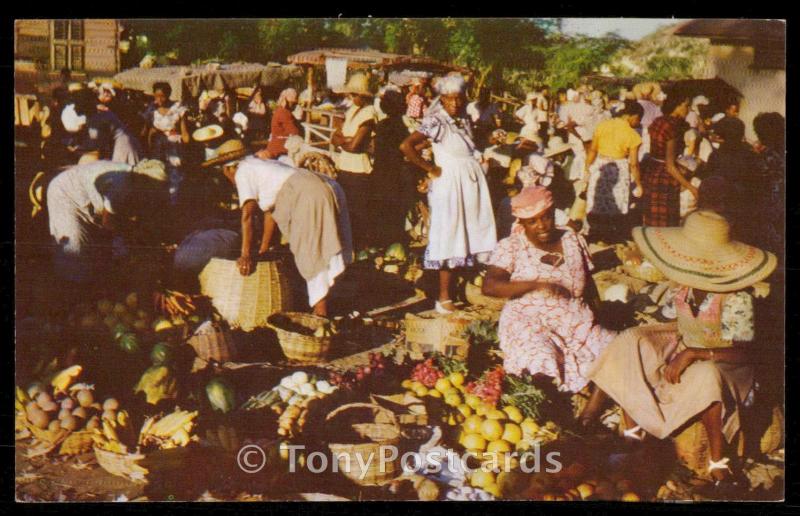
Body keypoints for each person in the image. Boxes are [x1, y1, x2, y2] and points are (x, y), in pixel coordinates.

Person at [582, 210, 777, 490]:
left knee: (705, 374)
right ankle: (634, 431)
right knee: (631, 341)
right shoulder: (684, 287)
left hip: (727, 365)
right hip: (688, 346)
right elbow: (676, 320)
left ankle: (717, 461)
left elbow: (745, 353)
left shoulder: (736, 298)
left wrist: (697, 354)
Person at [482, 186, 616, 392]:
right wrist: (535, 285)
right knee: (541, 359)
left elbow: (588, 284)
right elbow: (490, 286)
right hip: (530, 321)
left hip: (577, 321)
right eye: (532, 221)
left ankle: (588, 416)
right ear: (522, 222)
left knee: (616, 352)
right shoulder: (512, 246)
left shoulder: (572, 239)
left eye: (546, 217)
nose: (542, 226)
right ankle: (549, 405)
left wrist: (600, 318)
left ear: (554, 213)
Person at [207, 140, 352, 317]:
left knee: (309, 249)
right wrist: (263, 249)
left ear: (228, 168)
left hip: (308, 192)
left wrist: (245, 254)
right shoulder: (263, 166)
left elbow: (247, 215)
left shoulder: (242, 171)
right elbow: (270, 213)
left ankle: (321, 311)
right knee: (324, 244)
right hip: (326, 186)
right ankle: (328, 300)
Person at [400, 74, 497, 314]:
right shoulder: (435, 120)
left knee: (469, 233)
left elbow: (465, 145)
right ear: (442, 99)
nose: (455, 103)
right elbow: (407, 146)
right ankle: (444, 297)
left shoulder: (464, 118)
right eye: (450, 99)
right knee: (451, 235)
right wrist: (430, 169)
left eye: (459, 99)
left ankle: (458, 289)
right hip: (450, 183)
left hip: (468, 181)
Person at [47, 159, 169, 284]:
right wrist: (128, 238)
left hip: (84, 196)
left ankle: (90, 283)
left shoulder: (135, 180)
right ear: (145, 181)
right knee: (74, 247)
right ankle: (70, 288)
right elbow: (108, 223)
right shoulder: (120, 185)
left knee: (92, 249)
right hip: (64, 193)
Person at [582, 100, 644, 241]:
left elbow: (592, 150)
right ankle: (612, 237)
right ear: (633, 116)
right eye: (638, 120)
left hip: (600, 166)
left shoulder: (603, 125)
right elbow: (634, 164)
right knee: (616, 201)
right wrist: (639, 184)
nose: (638, 123)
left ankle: (596, 234)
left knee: (597, 201)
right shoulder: (633, 135)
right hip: (619, 168)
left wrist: (587, 169)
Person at [330, 73, 378, 247]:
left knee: (359, 213)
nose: (352, 97)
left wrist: (344, 141)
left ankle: (361, 246)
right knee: (345, 210)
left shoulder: (369, 113)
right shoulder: (351, 110)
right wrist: (346, 140)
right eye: (352, 94)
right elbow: (336, 136)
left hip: (359, 170)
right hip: (345, 167)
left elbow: (355, 146)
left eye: (355, 95)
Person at [640, 92, 695, 227]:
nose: (688, 110)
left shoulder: (658, 121)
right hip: (664, 178)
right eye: (686, 106)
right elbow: (670, 166)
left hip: (651, 172)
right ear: (676, 106)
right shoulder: (673, 127)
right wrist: (691, 188)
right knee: (666, 222)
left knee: (652, 219)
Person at [370, 89, 414, 246]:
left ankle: (383, 240)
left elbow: (376, 148)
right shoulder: (401, 127)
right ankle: (394, 239)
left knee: (382, 207)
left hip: (381, 169)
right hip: (395, 171)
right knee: (395, 209)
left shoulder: (381, 126)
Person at [141, 82, 190, 204]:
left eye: (162, 96)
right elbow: (145, 131)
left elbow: (185, 132)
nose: (159, 99)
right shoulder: (151, 109)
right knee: (159, 173)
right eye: (156, 96)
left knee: (174, 175)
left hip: (174, 146)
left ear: (168, 95)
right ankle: (160, 205)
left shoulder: (178, 108)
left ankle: (174, 206)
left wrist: (187, 146)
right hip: (157, 146)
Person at [259, 88, 302, 160]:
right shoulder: (284, 112)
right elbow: (293, 131)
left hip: (276, 142)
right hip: (280, 145)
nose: (294, 105)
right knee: (300, 143)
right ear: (286, 101)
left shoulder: (280, 110)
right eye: (293, 103)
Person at [634, 82, 664, 161]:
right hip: (647, 131)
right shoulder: (655, 107)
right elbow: (659, 119)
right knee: (644, 151)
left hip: (635, 129)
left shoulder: (636, 104)